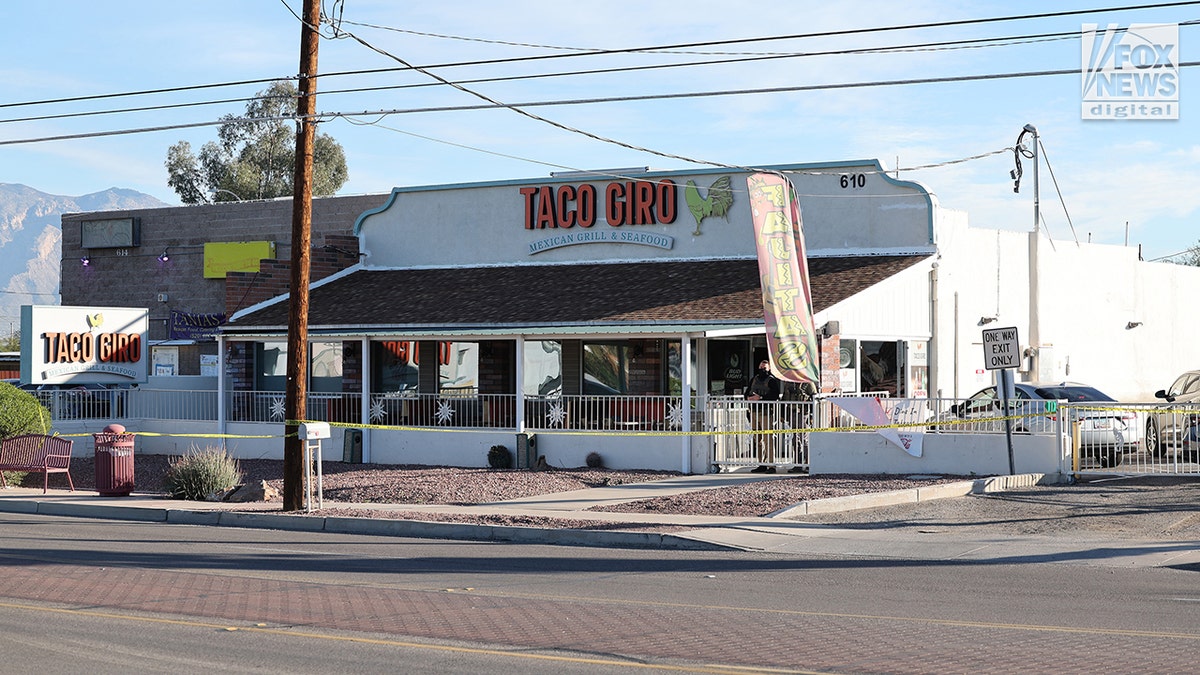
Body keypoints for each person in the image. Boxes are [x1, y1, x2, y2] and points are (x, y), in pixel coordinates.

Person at [744, 359, 781, 473]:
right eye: (761, 368)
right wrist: (749, 398)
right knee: (757, 440)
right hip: (753, 412)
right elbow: (746, 393)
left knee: (768, 439)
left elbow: (775, 395)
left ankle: (771, 465)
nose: (762, 370)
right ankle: (761, 464)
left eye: (764, 368)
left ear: (769, 369)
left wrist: (760, 398)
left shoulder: (772, 380)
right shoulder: (754, 379)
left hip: (766, 413)